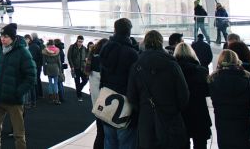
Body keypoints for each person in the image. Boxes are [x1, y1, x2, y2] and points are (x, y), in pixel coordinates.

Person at [127, 30, 189, 148]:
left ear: (145, 43)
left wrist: (143, 108)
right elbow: (183, 93)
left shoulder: (137, 65)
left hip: (146, 118)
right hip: (170, 116)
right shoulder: (172, 64)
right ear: (161, 42)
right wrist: (175, 109)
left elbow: (131, 96)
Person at [0, 23, 36, 149]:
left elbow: (31, 76)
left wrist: (18, 92)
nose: (3, 38)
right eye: (2, 35)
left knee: (18, 135)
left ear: (13, 38)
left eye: (6, 36)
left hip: (14, 101)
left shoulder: (22, 52)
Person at [210, 49, 250, 148]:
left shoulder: (213, 80)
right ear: (237, 61)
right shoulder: (249, 79)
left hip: (222, 125)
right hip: (243, 125)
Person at [99, 18, 140, 148]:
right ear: (129, 32)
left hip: (107, 100)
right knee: (126, 142)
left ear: (115, 30)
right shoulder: (132, 53)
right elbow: (135, 81)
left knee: (109, 141)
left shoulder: (105, 49)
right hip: (125, 103)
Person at [174, 42, 211, 149]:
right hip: (199, 112)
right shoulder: (201, 71)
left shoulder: (173, 70)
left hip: (181, 113)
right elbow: (207, 91)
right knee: (200, 144)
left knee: (183, 144)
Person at [67, 36, 89, 101]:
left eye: (81, 42)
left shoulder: (84, 48)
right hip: (75, 68)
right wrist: (72, 66)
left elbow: (86, 57)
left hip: (82, 68)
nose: (80, 43)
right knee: (77, 81)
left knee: (85, 80)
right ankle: (79, 96)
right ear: (77, 40)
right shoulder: (72, 47)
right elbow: (69, 57)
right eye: (79, 41)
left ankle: (78, 89)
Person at [42, 39, 63, 104]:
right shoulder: (57, 50)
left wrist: (44, 70)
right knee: (56, 83)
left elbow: (44, 62)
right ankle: (56, 99)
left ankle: (51, 99)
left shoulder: (45, 51)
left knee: (50, 83)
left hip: (48, 67)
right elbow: (59, 62)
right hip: (56, 67)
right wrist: (60, 70)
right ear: (53, 44)